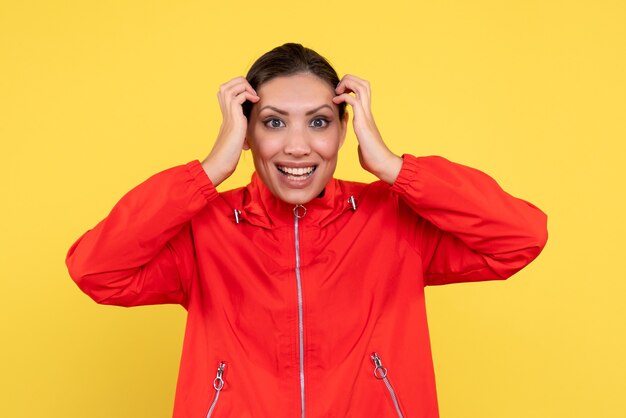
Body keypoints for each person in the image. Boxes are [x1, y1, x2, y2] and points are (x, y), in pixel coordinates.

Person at [66, 43, 548, 418]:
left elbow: (520, 236)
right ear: (247, 134)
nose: (297, 147)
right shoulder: (205, 230)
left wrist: (394, 167)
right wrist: (209, 171)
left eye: (318, 122)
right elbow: (96, 270)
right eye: (273, 123)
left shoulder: (395, 219)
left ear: (343, 130)